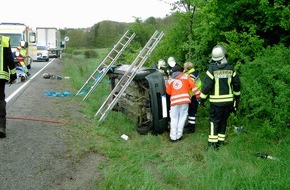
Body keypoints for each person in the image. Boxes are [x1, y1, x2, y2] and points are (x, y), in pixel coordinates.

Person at [198, 45, 241, 150]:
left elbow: (207, 86)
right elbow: (237, 85)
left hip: (216, 103)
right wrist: (237, 99)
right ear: (224, 55)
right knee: (223, 121)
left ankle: (213, 145)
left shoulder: (211, 70)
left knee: (214, 121)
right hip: (228, 102)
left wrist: (201, 99)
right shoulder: (231, 69)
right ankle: (220, 142)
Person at [166, 64, 201, 142]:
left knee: (174, 119)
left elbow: (168, 92)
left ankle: (173, 137)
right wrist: (199, 96)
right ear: (181, 71)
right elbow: (193, 87)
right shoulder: (186, 77)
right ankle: (179, 136)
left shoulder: (170, 80)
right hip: (185, 101)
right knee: (182, 118)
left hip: (175, 101)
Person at [0, 35, 17, 138]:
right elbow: (10, 58)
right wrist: (13, 74)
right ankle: (1, 127)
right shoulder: (4, 40)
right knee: (0, 100)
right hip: (1, 76)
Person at [183, 61, 202, 134]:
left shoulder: (191, 75)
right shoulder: (192, 72)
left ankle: (191, 128)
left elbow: (190, 86)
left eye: (185, 67)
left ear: (187, 68)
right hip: (194, 94)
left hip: (194, 95)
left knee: (192, 111)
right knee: (190, 111)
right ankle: (190, 124)